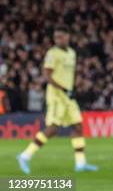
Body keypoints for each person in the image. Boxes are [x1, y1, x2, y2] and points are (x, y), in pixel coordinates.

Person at [17, 25, 98, 174]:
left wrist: (71, 88)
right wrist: (64, 89)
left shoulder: (72, 53)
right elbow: (48, 76)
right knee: (53, 129)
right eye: (56, 37)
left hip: (69, 96)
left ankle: (80, 163)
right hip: (56, 96)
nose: (58, 40)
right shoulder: (52, 53)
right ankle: (25, 155)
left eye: (60, 36)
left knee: (78, 126)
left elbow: (68, 74)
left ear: (68, 37)